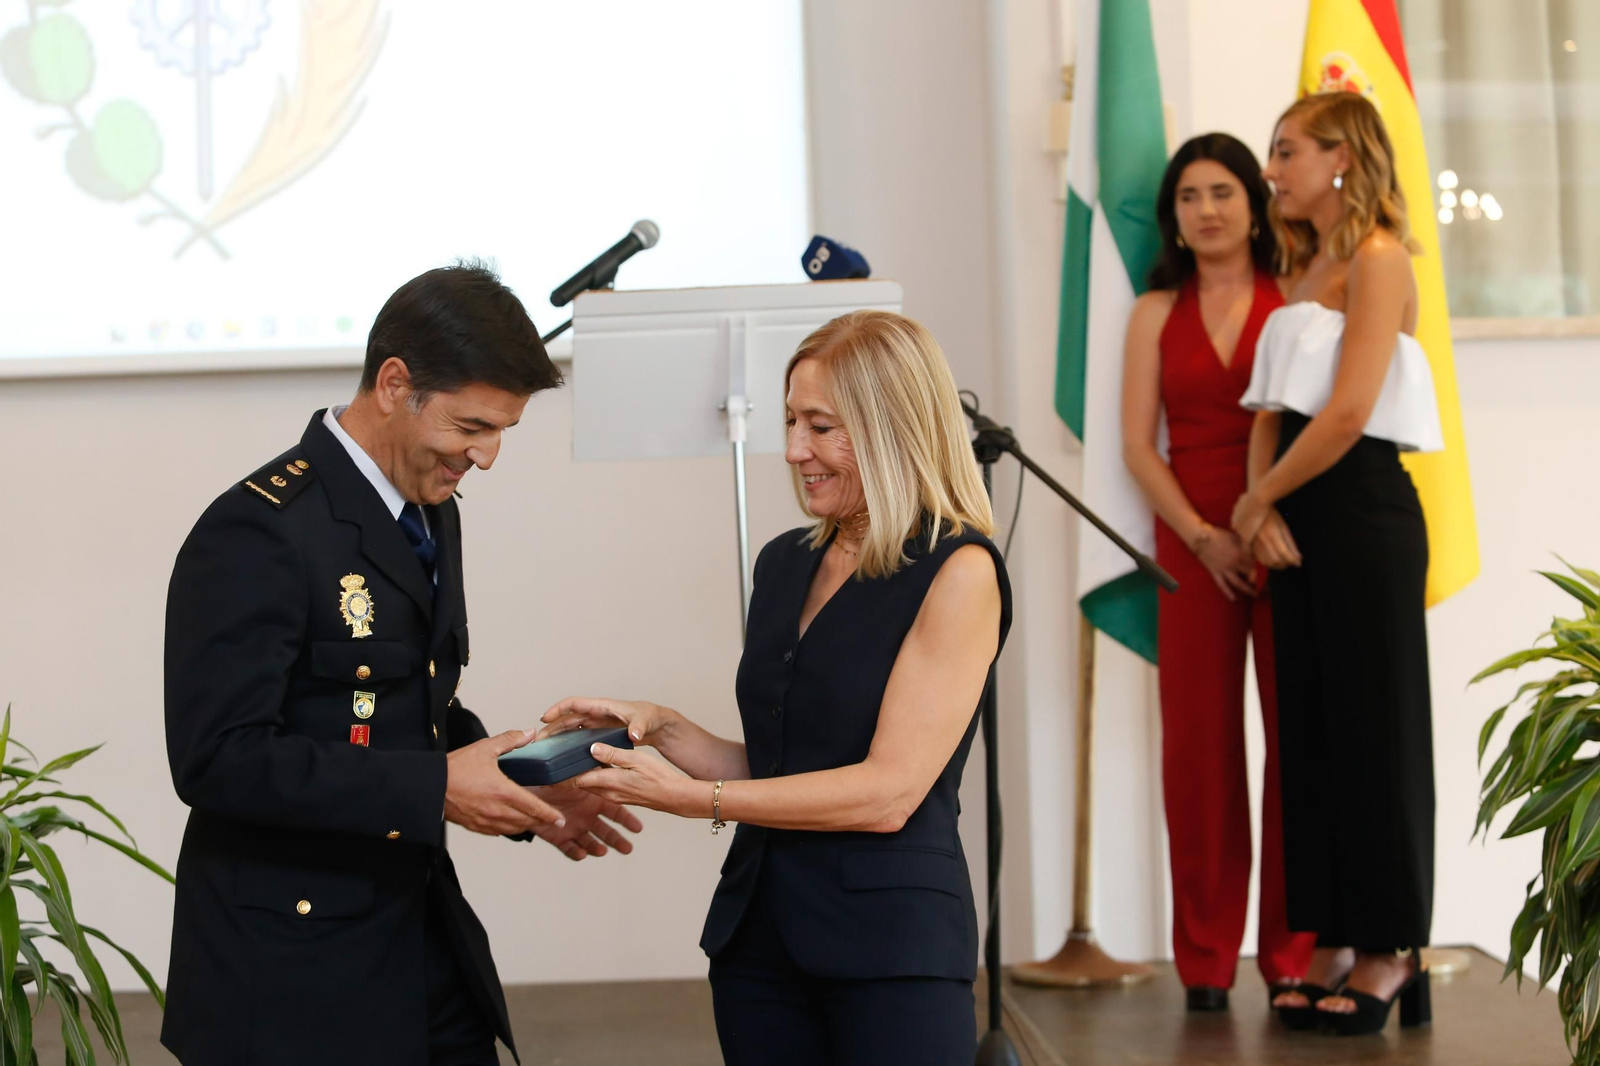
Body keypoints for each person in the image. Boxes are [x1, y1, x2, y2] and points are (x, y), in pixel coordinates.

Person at [162, 261, 644, 1066]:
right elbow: (217, 761)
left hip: (413, 931)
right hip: (289, 966)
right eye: (470, 427)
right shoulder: (259, 530)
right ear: (394, 384)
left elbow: (410, 702)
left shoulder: (428, 509)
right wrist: (440, 788)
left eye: (501, 434)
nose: (484, 457)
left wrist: (528, 781)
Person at [537, 310, 1011, 1066]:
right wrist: (661, 729)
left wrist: (696, 802)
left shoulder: (958, 571)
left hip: (891, 951)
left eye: (821, 427)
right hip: (759, 941)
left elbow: (887, 794)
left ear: (892, 428)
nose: (794, 450)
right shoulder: (784, 563)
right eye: (791, 421)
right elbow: (785, 764)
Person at [1232, 92, 1442, 1036]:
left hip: (1360, 509)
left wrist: (1260, 497)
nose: (1270, 171)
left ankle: (1393, 948)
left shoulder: (1379, 258)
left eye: (1286, 152)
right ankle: (1328, 935)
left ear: (1342, 158)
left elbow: (1351, 410)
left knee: (1378, 729)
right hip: (1295, 507)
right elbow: (1269, 407)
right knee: (1311, 735)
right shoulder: (1302, 264)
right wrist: (1259, 503)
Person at [1121, 132, 1315, 1013]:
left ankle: (1294, 957)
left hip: (1289, 535)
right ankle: (1204, 959)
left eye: (1223, 192)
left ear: (1255, 201)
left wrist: (1259, 514)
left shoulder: (1301, 295)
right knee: (1199, 753)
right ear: (1175, 215)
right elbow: (1135, 444)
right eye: (1189, 196)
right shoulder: (1154, 312)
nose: (1206, 210)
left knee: (1299, 746)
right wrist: (1203, 534)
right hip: (1194, 545)